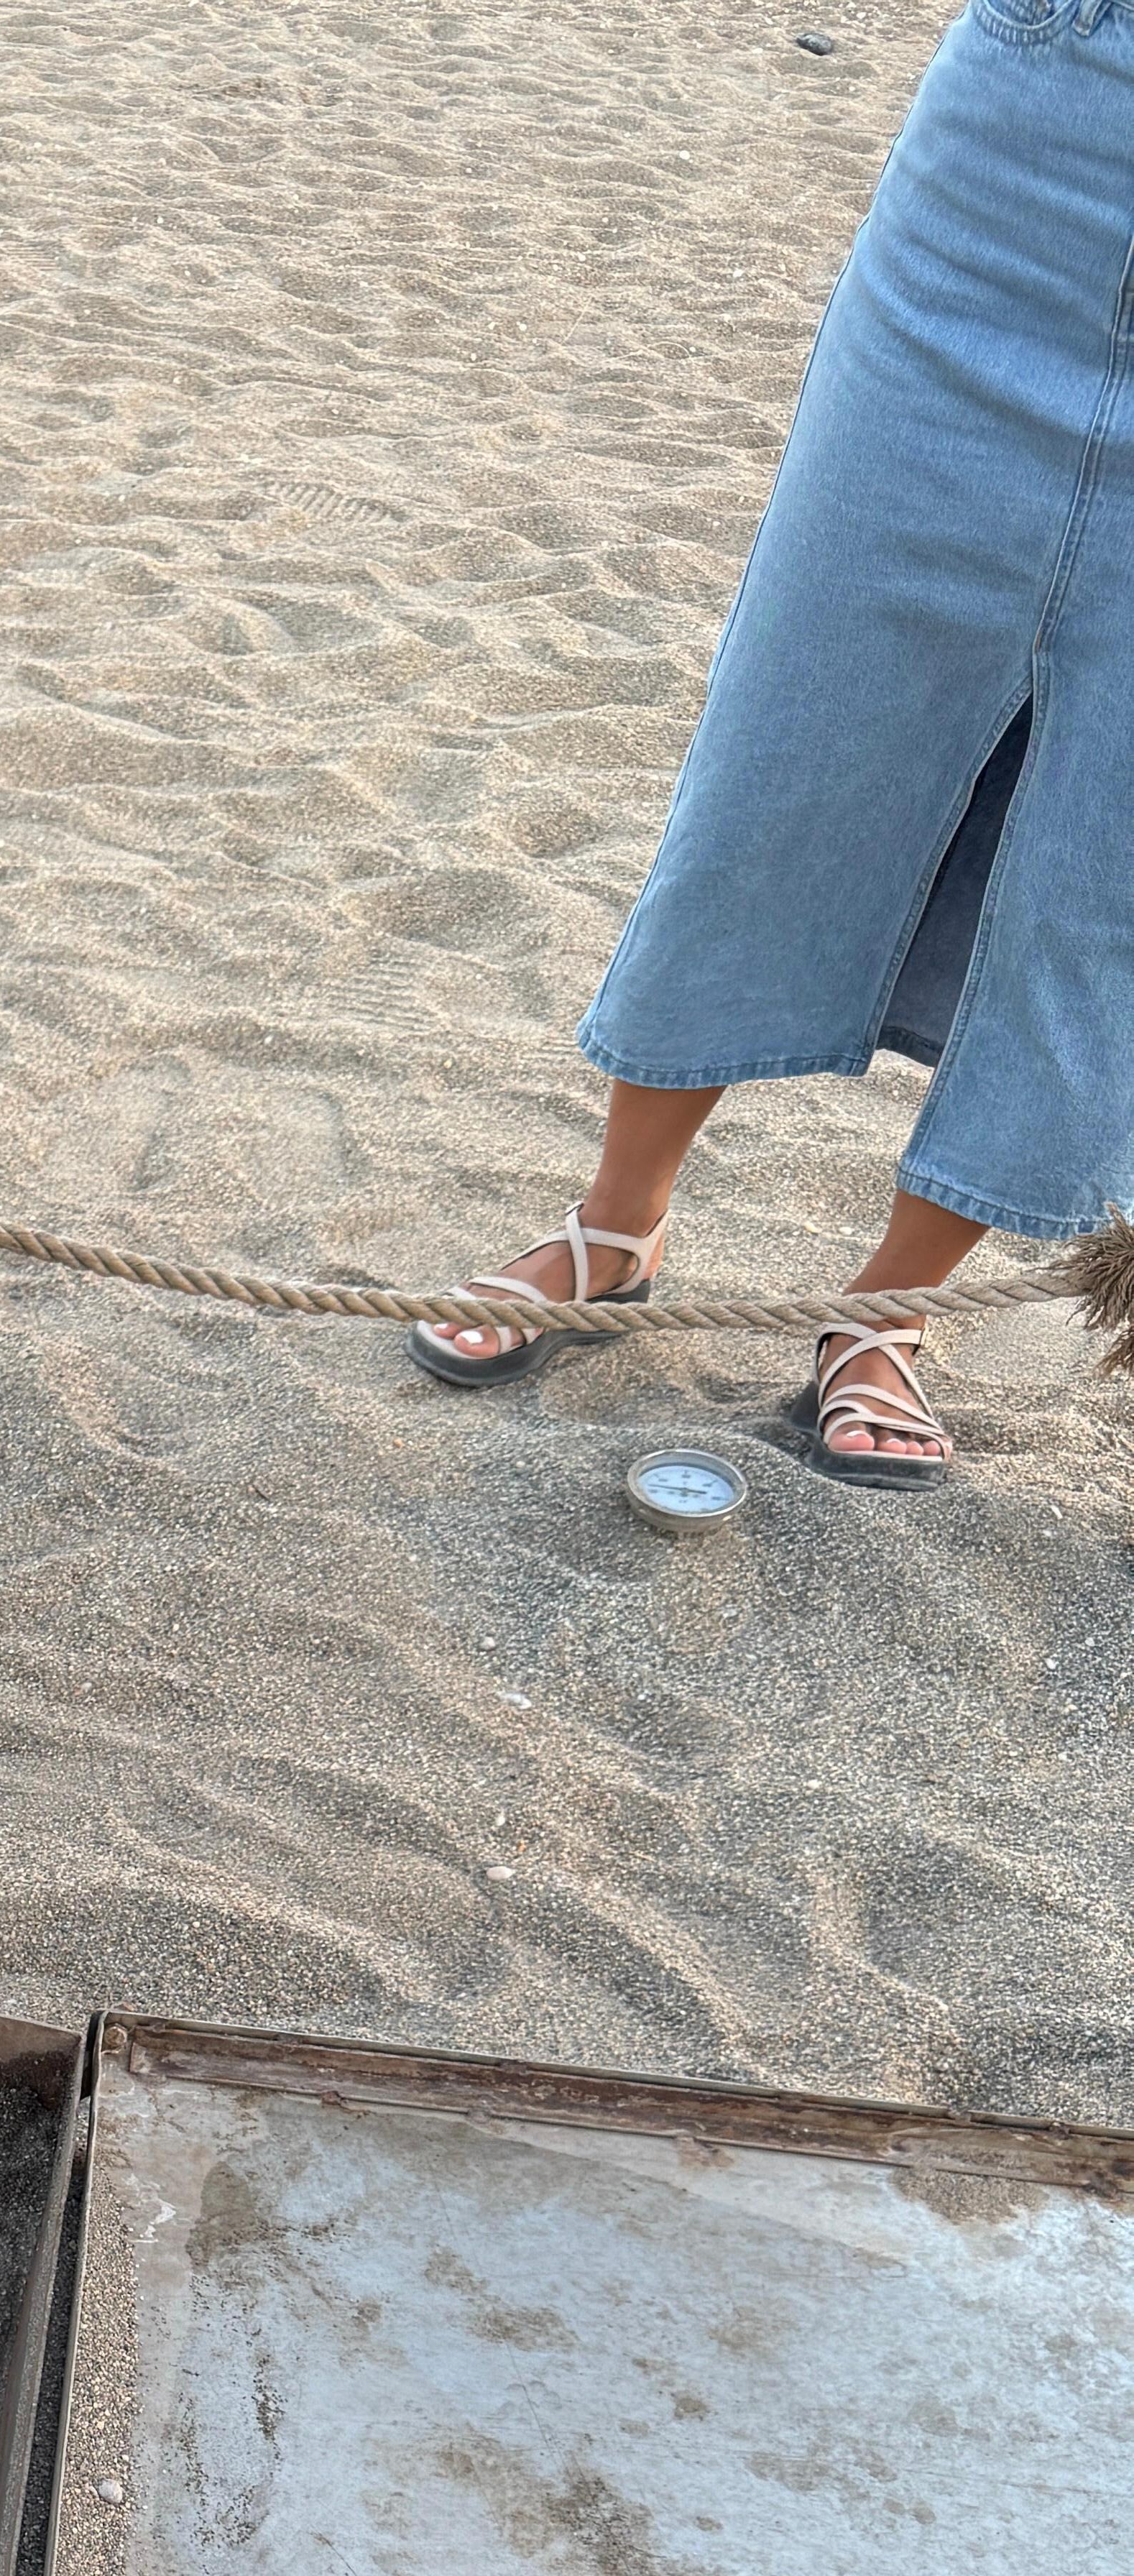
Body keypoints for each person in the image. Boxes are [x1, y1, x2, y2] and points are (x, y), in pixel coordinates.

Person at [410, 0, 1134, 1491]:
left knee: (1100, 866)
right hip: (1012, 193)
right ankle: (618, 1225)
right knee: (794, 751)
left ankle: (888, 1315)